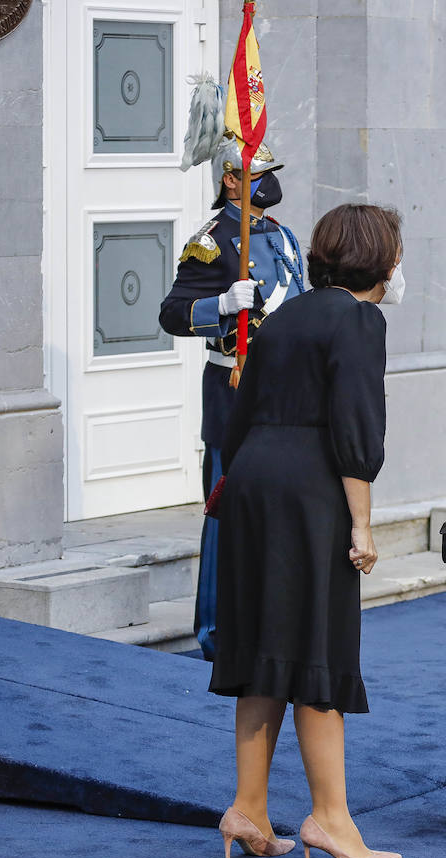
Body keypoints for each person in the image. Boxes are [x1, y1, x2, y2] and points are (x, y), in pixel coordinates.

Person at [209, 203, 401, 858]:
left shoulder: (285, 313)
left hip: (253, 483)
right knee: (317, 646)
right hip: (309, 490)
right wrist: (363, 523)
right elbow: (356, 429)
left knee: (263, 647)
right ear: (384, 259)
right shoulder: (358, 318)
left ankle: (249, 808)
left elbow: (237, 421)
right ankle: (331, 820)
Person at [159, 137, 306, 660]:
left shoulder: (282, 234)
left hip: (285, 391)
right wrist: (220, 304)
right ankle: (218, 632)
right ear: (231, 180)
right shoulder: (213, 238)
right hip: (234, 388)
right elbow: (172, 314)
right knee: (226, 511)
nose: (271, 184)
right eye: (259, 174)